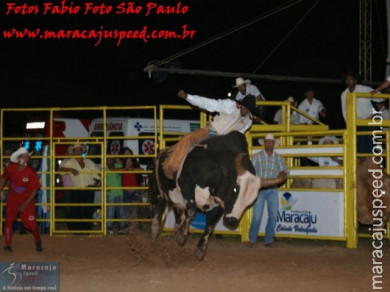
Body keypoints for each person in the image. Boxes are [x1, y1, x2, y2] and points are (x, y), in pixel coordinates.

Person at [162, 89, 258, 179]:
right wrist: (188, 97)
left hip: (225, 143)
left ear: (250, 110)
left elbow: (238, 135)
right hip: (211, 131)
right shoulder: (231, 106)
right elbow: (209, 103)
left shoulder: (248, 121)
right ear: (241, 105)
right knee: (189, 138)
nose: (244, 110)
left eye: (247, 109)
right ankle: (171, 167)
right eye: (244, 107)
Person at [248, 133, 288, 248]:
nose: (269, 143)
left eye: (270, 142)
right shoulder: (257, 157)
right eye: (267, 141)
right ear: (264, 143)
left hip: (272, 189)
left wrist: (283, 172)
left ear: (273, 144)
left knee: (274, 214)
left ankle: (267, 239)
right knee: (257, 215)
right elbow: (250, 170)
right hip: (260, 188)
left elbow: (286, 170)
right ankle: (253, 238)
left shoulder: (278, 158)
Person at [0, 147, 43, 252]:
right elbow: (4, 177)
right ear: (18, 159)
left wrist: (25, 204)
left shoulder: (31, 172)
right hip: (13, 200)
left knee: (32, 225)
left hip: (27, 201)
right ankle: (8, 245)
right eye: (24, 156)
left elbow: (35, 190)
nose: (26, 158)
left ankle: (37, 240)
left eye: (27, 156)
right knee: (8, 221)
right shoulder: (10, 168)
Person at [58, 144, 100, 230]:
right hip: (76, 190)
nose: (77, 152)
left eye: (79, 150)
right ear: (73, 152)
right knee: (76, 210)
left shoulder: (89, 162)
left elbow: (97, 173)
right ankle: (76, 230)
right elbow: (60, 170)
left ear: (82, 151)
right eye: (75, 150)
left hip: (88, 189)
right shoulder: (69, 163)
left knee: (88, 210)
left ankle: (86, 229)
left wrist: (101, 179)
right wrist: (70, 169)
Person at [121, 147, 143, 229]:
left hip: (135, 191)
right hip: (126, 191)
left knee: (134, 210)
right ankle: (128, 226)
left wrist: (131, 169)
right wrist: (125, 169)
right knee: (126, 210)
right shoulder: (122, 168)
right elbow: (114, 169)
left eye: (130, 161)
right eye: (127, 161)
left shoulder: (136, 167)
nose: (128, 162)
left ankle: (134, 226)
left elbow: (141, 170)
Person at [106, 157, 127, 235]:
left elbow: (122, 165)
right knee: (110, 211)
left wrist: (117, 159)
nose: (110, 161)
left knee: (120, 211)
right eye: (108, 159)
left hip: (119, 192)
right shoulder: (104, 168)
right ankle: (109, 227)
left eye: (111, 159)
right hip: (111, 192)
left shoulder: (117, 166)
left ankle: (121, 227)